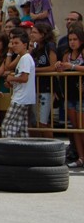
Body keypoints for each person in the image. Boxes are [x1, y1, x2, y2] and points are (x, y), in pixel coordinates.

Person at [57, 26, 84, 167]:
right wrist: (60, 66)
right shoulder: (66, 54)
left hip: (82, 95)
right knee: (75, 128)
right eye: (70, 39)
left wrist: (72, 67)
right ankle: (81, 157)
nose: (72, 42)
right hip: (70, 94)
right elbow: (62, 70)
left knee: (82, 127)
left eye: (75, 39)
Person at [1, 29, 36, 138]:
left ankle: (9, 150)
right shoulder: (22, 58)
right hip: (23, 96)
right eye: (12, 43)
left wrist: (11, 78)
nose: (14, 46)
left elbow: (24, 78)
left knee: (7, 126)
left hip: (21, 98)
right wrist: (12, 83)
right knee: (21, 128)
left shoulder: (25, 58)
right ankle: (24, 152)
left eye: (17, 43)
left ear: (24, 45)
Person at [30, 22, 58, 138]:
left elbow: (53, 66)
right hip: (36, 87)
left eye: (35, 32)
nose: (32, 34)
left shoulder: (49, 46)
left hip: (46, 87)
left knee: (43, 122)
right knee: (36, 121)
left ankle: (50, 148)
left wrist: (36, 70)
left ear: (43, 34)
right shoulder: (36, 48)